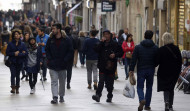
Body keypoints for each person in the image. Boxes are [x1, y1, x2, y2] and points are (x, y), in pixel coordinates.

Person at [129, 30, 159, 111]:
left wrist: (131, 69)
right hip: (151, 69)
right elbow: (157, 59)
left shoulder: (138, 47)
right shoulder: (155, 47)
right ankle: (147, 105)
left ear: (144, 36)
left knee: (139, 86)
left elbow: (134, 59)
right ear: (152, 37)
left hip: (141, 69)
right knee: (149, 87)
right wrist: (154, 65)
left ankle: (142, 99)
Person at [92, 30, 123, 103]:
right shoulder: (101, 43)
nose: (106, 36)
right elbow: (96, 49)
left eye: (107, 34)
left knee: (109, 83)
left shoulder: (115, 43)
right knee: (101, 81)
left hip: (111, 66)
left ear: (110, 35)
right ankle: (98, 95)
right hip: (102, 65)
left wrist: (115, 55)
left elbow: (121, 52)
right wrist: (101, 42)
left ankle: (109, 95)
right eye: (104, 34)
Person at [46, 23, 73, 104]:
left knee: (62, 82)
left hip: (63, 64)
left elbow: (70, 51)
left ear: (59, 30)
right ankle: (55, 97)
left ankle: (61, 96)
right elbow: (47, 50)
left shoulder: (66, 39)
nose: (52, 30)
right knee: (54, 81)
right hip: (53, 64)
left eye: (54, 28)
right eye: (52, 29)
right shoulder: (50, 39)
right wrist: (50, 59)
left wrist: (66, 59)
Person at [156, 32, 182, 111]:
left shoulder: (161, 49)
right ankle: (170, 105)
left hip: (163, 71)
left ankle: (166, 101)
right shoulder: (176, 48)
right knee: (171, 88)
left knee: (165, 88)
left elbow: (157, 61)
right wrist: (178, 71)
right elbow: (180, 61)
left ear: (164, 39)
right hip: (174, 72)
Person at [6, 29, 27, 94]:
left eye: (18, 34)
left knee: (18, 75)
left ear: (20, 35)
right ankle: (13, 87)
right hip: (12, 61)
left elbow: (25, 53)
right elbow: (7, 52)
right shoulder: (10, 44)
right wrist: (14, 53)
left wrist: (20, 54)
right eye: (15, 34)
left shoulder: (22, 44)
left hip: (19, 62)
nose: (16, 35)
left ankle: (17, 88)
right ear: (13, 36)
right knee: (13, 74)